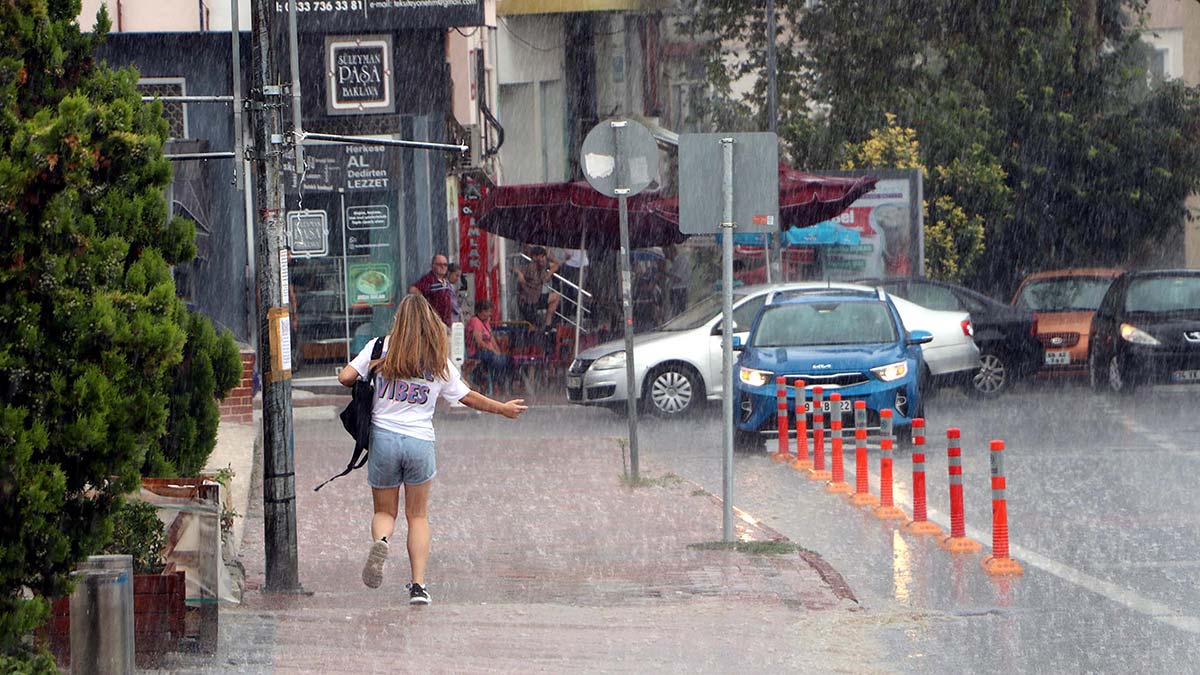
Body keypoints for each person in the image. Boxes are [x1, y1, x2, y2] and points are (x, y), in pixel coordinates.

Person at [337, 294, 527, 605]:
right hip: (420, 442)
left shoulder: (379, 347)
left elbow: (345, 377)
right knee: (417, 516)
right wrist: (502, 408)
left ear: (399, 321)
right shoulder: (437, 359)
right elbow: (467, 396)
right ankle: (418, 587)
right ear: (429, 323)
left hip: (384, 439)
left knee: (384, 512)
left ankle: (382, 541)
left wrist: (372, 369)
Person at [465, 300, 512, 393]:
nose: (489, 314)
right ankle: (497, 383)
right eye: (486, 311)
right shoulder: (475, 321)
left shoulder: (486, 322)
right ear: (479, 311)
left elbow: (491, 339)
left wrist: (497, 350)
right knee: (497, 361)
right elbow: (479, 342)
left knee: (507, 359)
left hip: (488, 352)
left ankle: (503, 383)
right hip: (477, 353)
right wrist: (493, 351)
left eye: (490, 311)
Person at [514, 246, 561, 329]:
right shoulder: (530, 268)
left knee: (556, 296)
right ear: (534, 257)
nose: (543, 259)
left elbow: (557, 264)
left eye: (543, 256)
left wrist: (549, 273)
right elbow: (514, 269)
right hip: (527, 303)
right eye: (540, 257)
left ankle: (548, 326)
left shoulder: (543, 265)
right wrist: (519, 274)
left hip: (537, 299)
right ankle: (535, 329)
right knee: (535, 327)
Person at [408, 254, 455, 327]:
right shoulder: (429, 279)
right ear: (433, 266)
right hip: (434, 323)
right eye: (439, 264)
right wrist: (427, 306)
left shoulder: (445, 280)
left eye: (445, 265)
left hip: (446, 322)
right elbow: (413, 289)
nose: (443, 267)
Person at [665, 245, 691, 317]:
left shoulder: (681, 261)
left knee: (679, 313)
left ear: (671, 252)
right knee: (675, 312)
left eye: (666, 253)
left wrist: (665, 273)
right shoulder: (674, 262)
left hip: (680, 290)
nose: (666, 256)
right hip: (675, 291)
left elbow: (677, 278)